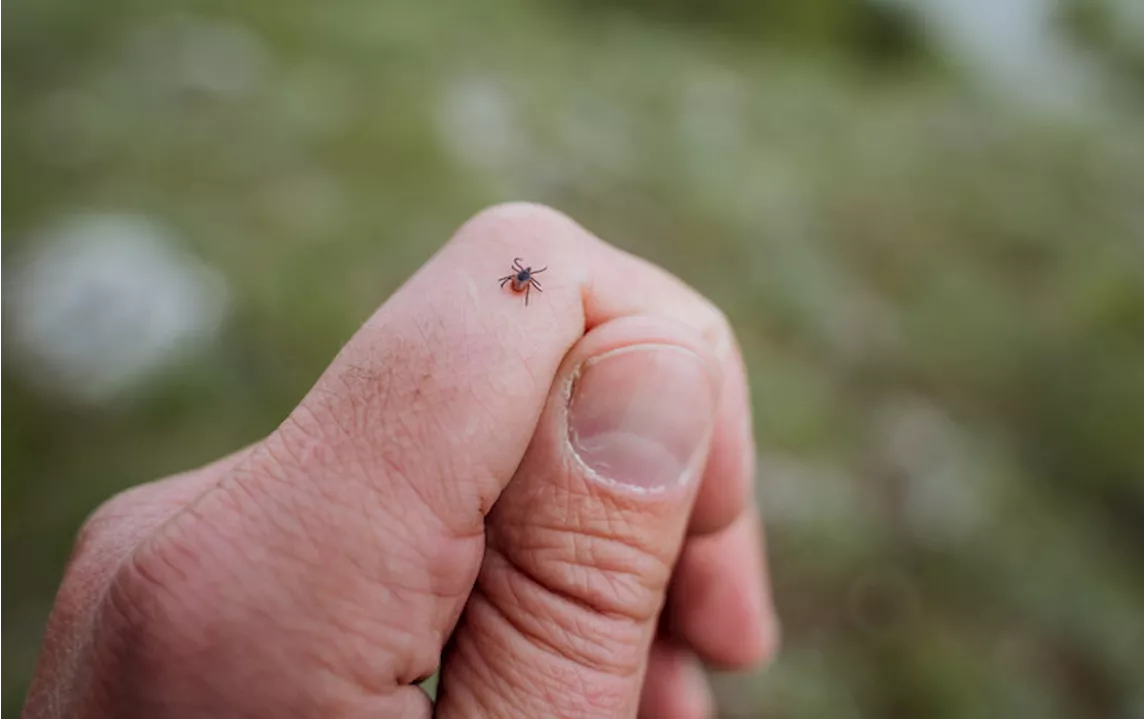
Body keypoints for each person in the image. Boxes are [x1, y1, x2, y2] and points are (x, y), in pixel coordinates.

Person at [22, 203, 779, 718]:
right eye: (520, 279)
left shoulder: (520, 280)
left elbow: (521, 280)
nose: (521, 282)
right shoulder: (522, 282)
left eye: (522, 278)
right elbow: (522, 280)